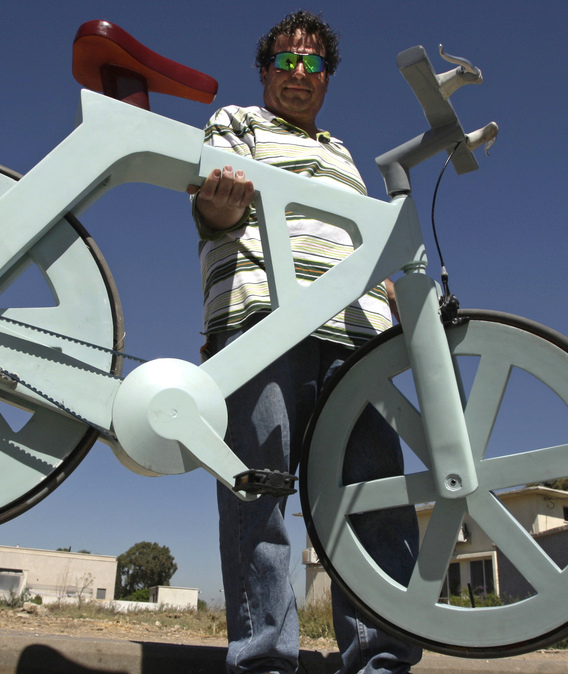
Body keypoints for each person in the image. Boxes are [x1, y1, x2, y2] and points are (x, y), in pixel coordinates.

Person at [188, 12, 423, 674]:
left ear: (327, 79)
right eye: (286, 61)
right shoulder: (237, 122)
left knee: (373, 496)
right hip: (262, 321)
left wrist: (393, 293)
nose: (299, 73)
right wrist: (221, 204)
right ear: (265, 71)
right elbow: (212, 208)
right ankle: (264, 661)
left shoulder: (345, 156)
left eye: (312, 63)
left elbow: (362, 244)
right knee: (257, 494)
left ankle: (381, 661)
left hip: (357, 339)